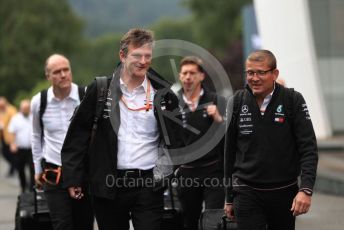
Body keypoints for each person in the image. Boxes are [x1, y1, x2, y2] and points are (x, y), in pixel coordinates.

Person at [60, 28, 179, 230]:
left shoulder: (164, 95)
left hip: (149, 186)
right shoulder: (100, 89)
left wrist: (167, 172)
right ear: (122, 56)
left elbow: (177, 139)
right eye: (137, 55)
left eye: (147, 56)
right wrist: (73, 178)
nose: (143, 61)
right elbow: (77, 136)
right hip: (108, 185)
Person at [224, 50, 318, 230]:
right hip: (246, 192)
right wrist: (228, 197)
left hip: (284, 193)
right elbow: (229, 152)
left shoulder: (293, 100)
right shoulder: (236, 102)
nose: (255, 78)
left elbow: (308, 148)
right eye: (250, 73)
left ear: (275, 74)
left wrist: (305, 189)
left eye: (261, 72)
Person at [31, 54, 93, 230]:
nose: (63, 74)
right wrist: (37, 169)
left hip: (82, 172)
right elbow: (35, 136)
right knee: (61, 225)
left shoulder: (86, 95)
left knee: (84, 224)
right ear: (48, 76)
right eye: (57, 71)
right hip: (54, 173)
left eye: (66, 69)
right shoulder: (39, 102)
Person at [175, 56, 225, 230]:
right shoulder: (172, 104)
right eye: (185, 73)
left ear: (202, 76)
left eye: (192, 73)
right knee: (190, 221)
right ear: (180, 76)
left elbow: (229, 136)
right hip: (186, 173)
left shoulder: (217, 100)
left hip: (213, 172)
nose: (188, 77)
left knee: (213, 221)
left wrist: (219, 119)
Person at [7, 99, 34, 193]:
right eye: (24, 108)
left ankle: (32, 189)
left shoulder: (34, 117)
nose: (25, 110)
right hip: (20, 149)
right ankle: (23, 186)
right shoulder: (16, 118)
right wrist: (12, 144)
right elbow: (11, 132)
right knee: (20, 169)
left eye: (27, 108)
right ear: (20, 109)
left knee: (33, 169)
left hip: (32, 149)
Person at [0, 96, 17, 177]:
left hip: (10, 135)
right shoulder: (1, 111)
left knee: (11, 153)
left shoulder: (11, 110)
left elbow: (15, 120)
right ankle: (13, 166)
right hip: (3, 135)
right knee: (4, 152)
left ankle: (13, 168)